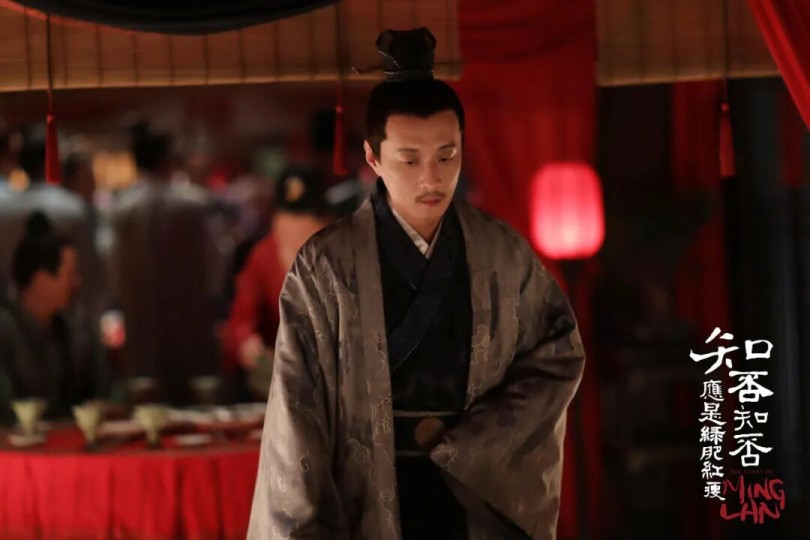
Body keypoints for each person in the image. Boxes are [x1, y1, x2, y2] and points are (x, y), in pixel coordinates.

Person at [248, 28, 586, 539]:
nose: (432, 178)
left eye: (447, 156)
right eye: (409, 160)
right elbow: (296, 407)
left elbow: (558, 352)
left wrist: (478, 444)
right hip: (364, 496)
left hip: (471, 491)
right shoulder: (325, 266)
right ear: (373, 158)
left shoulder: (502, 253)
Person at [109, 122, 224, 405]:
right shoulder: (194, 205)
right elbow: (216, 265)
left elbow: (112, 271)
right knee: (193, 403)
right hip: (189, 319)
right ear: (168, 159)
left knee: (145, 404)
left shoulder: (120, 208)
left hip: (140, 321)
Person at [224, 166, 331, 399]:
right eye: (288, 218)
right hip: (279, 383)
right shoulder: (263, 256)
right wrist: (247, 344)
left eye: (305, 220)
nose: (294, 228)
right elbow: (240, 322)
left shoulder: (342, 255)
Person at [0, 212, 111, 425]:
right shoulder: (5, 332)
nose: (77, 283)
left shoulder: (75, 327)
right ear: (41, 280)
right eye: (70, 275)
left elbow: (105, 388)